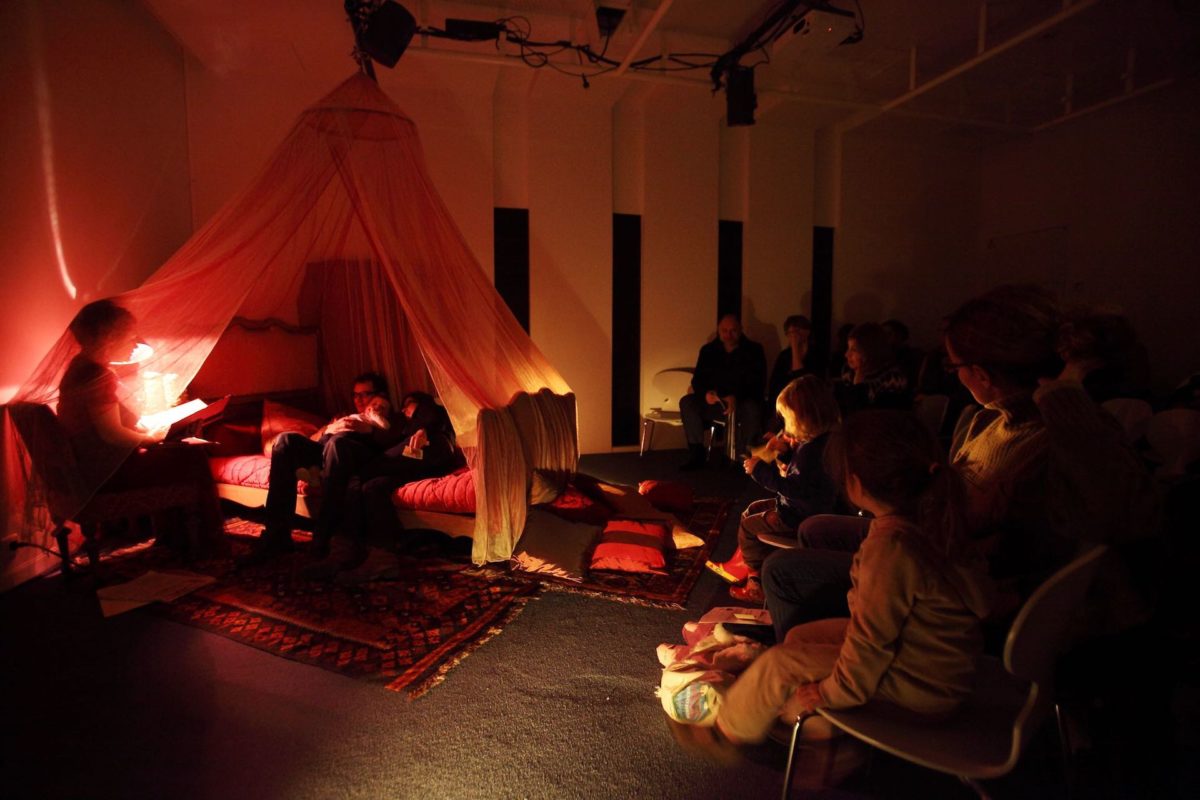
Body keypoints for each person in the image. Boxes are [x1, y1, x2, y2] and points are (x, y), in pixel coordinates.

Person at [763, 284, 1159, 640]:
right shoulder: (987, 419)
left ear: (981, 374)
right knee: (818, 528)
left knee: (782, 571)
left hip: (955, 581)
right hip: (935, 548)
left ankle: (849, 662)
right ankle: (842, 644)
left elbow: (1121, 514)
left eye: (955, 366)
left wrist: (1063, 395)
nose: (954, 376)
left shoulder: (1064, 436)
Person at [713, 410, 994, 745]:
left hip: (919, 686)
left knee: (779, 664)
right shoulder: (929, 517)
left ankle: (727, 731)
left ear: (856, 483)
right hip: (926, 657)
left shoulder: (891, 549)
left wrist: (828, 692)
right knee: (800, 636)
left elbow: (869, 647)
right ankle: (798, 714)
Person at [56, 299, 225, 554]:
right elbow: (111, 434)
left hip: (87, 467)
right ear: (109, 339)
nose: (136, 345)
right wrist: (149, 438)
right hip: (105, 473)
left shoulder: (80, 368)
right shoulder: (96, 376)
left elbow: (101, 427)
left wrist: (147, 433)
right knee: (192, 455)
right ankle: (204, 541)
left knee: (175, 450)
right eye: (130, 338)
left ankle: (174, 537)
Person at [237, 371, 404, 567]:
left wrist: (369, 429)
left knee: (337, 444)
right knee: (285, 440)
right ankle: (276, 536)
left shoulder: (391, 417)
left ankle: (323, 535)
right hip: (325, 450)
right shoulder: (344, 415)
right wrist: (328, 429)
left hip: (354, 455)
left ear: (380, 395)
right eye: (355, 395)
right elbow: (316, 439)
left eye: (364, 394)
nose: (358, 400)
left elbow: (393, 442)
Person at [705, 376, 841, 604]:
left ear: (803, 416)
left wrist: (759, 470)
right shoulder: (820, 442)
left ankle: (755, 581)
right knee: (752, 509)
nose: (785, 424)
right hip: (806, 508)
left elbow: (794, 488)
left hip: (798, 516)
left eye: (788, 417)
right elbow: (805, 477)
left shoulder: (811, 452)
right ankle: (746, 563)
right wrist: (785, 454)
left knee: (748, 526)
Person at [309, 391, 465, 578]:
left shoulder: (427, 412)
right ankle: (381, 559)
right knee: (372, 487)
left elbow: (436, 415)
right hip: (413, 464)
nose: (404, 410)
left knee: (356, 474)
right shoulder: (398, 425)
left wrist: (424, 429)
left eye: (408, 405)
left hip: (430, 449)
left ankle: (343, 548)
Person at [679, 312, 767, 470]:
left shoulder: (754, 351)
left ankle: (744, 456)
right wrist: (706, 394)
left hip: (742, 403)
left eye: (733, 330)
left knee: (752, 408)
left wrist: (736, 397)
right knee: (687, 402)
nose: (728, 335)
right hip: (715, 402)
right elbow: (698, 380)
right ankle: (696, 452)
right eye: (724, 331)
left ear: (740, 329)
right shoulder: (708, 350)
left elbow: (758, 383)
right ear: (718, 331)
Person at [835, 322, 911, 413]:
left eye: (854, 350)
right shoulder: (848, 372)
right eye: (848, 348)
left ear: (870, 351)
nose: (847, 354)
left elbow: (862, 412)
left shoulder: (892, 379)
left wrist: (859, 383)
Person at [768, 315, 813, 406]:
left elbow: (800, 379)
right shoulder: (784, 356)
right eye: (790, 333)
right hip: (786, 401)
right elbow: (775, 385)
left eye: (797, 331)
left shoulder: (815, 354)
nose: (794, 336)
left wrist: (795, 348)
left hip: (807, 402)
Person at [881, 318, 924, 389]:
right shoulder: (879, 357)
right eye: (883, 335)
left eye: (889, 334)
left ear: (900, 336)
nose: (885, 338)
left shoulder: (913, 356)